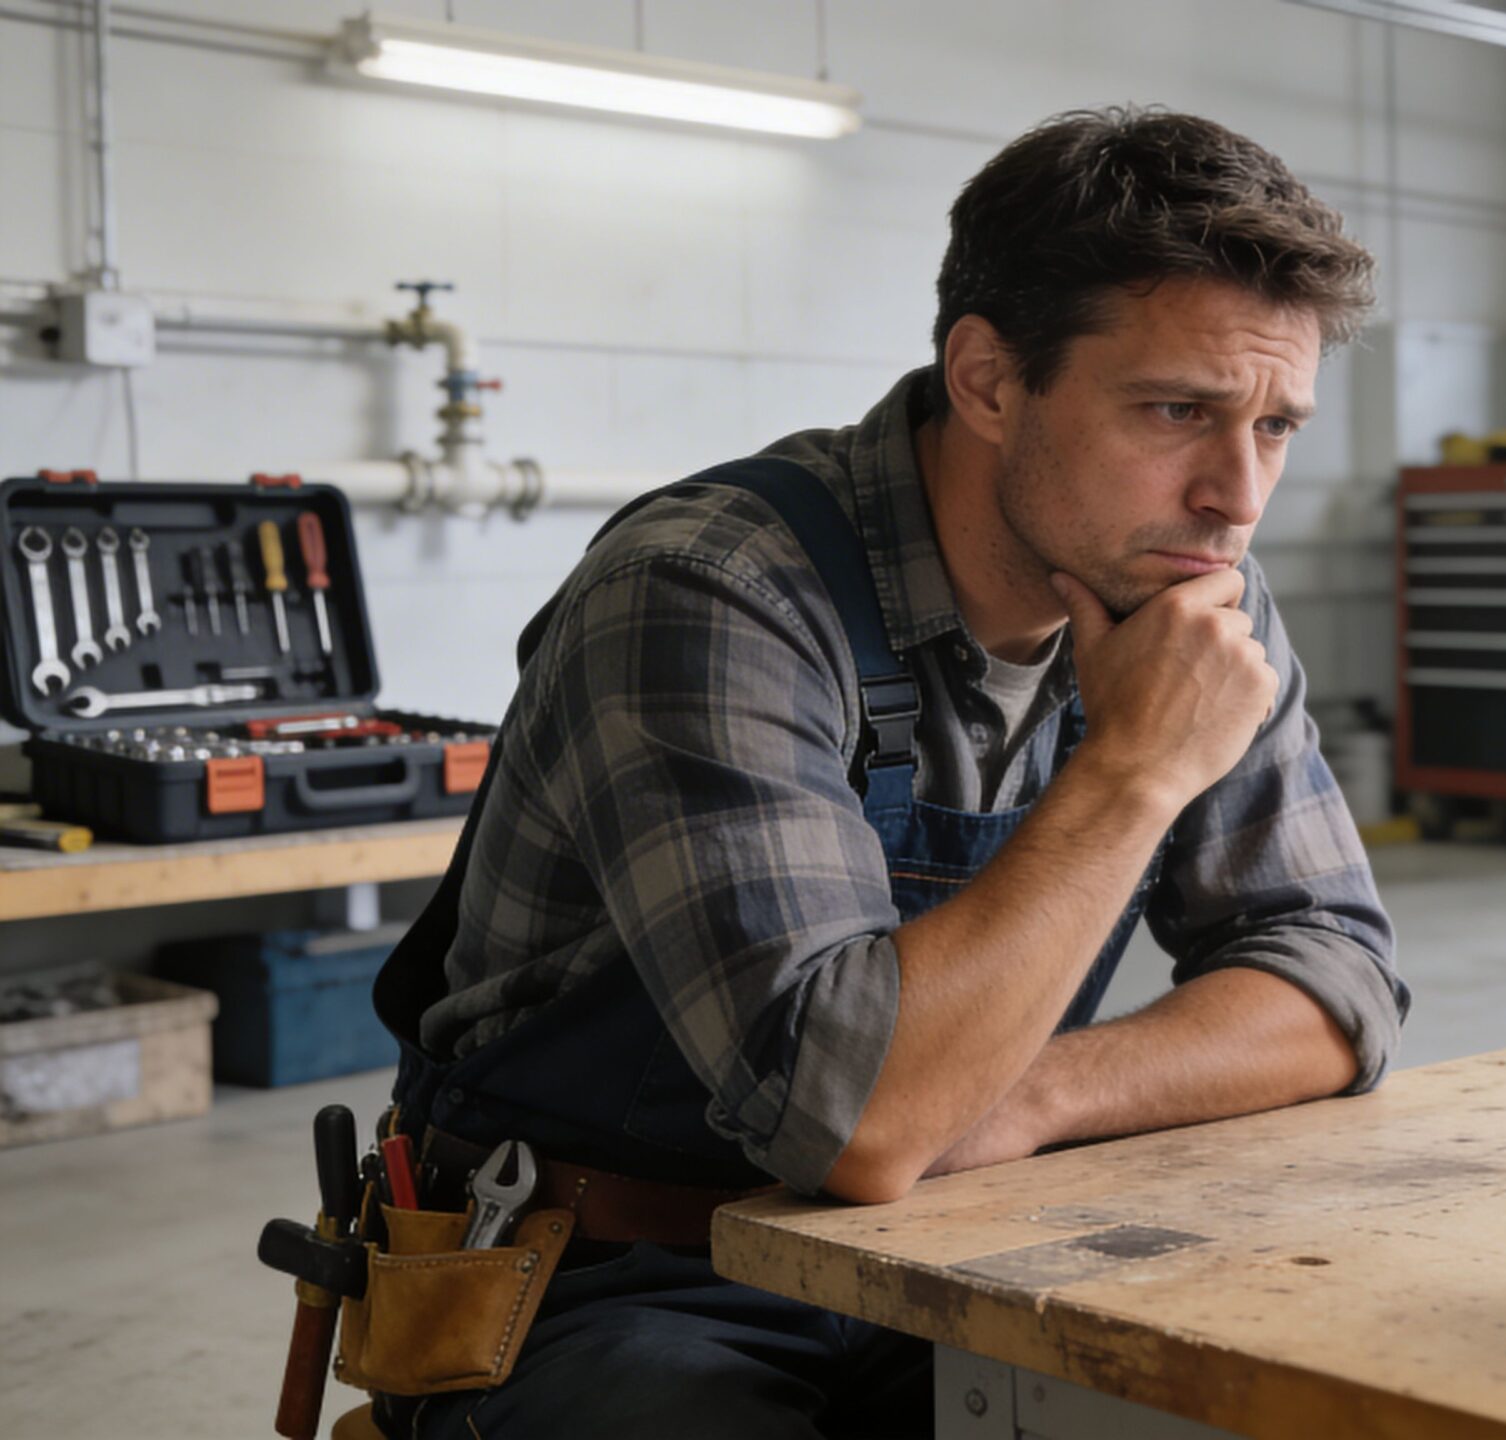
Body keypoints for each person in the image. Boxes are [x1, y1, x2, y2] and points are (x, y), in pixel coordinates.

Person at [365, 105, 1409, 1438]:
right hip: (604, 1279)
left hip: (962, 1232)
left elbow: (1337, 979)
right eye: (1178, 410)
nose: (1237, 495)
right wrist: (1135, 773)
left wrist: (1030, 1096)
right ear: (987, 380)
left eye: (1275, 426)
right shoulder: (711, 591)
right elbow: (852, 1122)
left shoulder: (1193, 588)